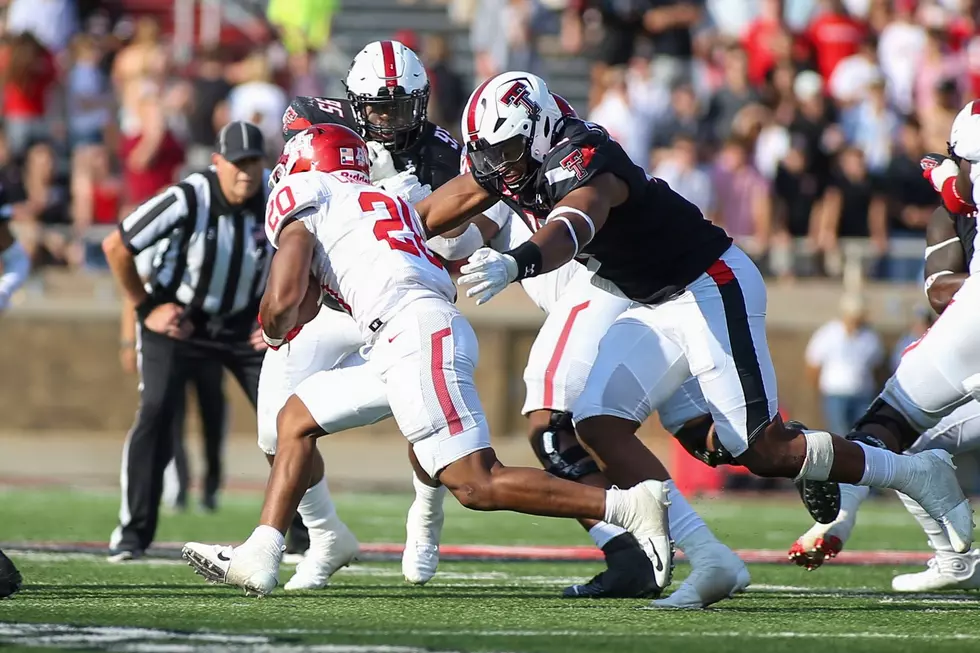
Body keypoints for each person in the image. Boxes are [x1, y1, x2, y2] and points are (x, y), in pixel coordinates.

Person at [414, 71, 972, 562]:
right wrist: (380, 238)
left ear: (537, 131)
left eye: (504, 153)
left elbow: (573, 225)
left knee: (763, 450)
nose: (495, 169)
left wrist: (516, 263)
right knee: (597, 423)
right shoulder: (513, 155)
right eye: (487, 155)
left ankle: (913, 472)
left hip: (709, 283)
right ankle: (705, 557)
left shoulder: (584, 155)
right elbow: (441, 207)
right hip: (651, 300)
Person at [278, 43, 744, 603]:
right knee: (690, 438)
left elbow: (487, 225)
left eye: (403, 107)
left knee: (560, 425)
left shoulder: (478, 155)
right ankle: (675, 548)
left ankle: (654, 550)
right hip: (606, 287)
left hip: (577, 282)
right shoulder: (441, 151)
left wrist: (484, 257)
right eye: (378, 108)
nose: (390, 121)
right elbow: (451, 217)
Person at [181, 123, 674, 598]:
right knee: (295, 418)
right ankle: (262, 553)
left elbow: (288, 297)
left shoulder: (305, 192)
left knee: (476, 483)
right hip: (406, 331)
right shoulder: (382, 199)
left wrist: (270, 324)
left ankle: (627, 505)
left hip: (413, 333)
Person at [101, 121, 273, 561]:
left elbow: (309, 258)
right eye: (237, 164)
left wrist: (282, 318)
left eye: (254, 162)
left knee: (287, 421)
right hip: (179, 321)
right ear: (217, 163)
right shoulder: (188, 196)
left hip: (242, 326)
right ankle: (133, 533)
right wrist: (144, 309)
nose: (246, 173)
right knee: (156, 411)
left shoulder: (277, 196)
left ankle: (305, 535)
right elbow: (116, 246)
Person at [789, 205, 980, 592]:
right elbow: (939, 290)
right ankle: (952, 560)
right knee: (904, 435)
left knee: (901, 421)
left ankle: (842, 506)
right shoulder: (952, 212)